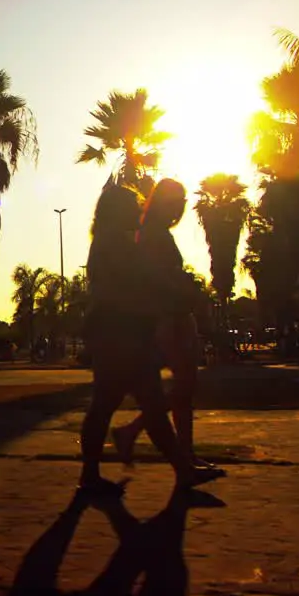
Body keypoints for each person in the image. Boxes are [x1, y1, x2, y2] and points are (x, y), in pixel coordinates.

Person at [77, 181, 222, 495]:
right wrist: (177, 292)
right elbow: (142, 283)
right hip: (119, 333)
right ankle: (177, 471)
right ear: (117, 211)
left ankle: (178, 471)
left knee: (134, 404)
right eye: (132, 204)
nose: (139, 209)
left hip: (126, 332)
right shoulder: (115, 245)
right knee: (121, 404)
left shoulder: (114, 242)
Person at [109, 179, 214, 469]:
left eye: (182, 199)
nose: (181, 205)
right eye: (176, 199)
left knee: (185, 387)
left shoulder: (159, 232)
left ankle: (184, 452)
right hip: (166, 316)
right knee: (182, 386)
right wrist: (181, 286)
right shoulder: (151, 234)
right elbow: (153, 276)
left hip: (178, 313)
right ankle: (135, 432)